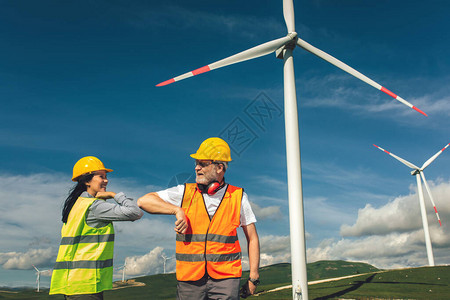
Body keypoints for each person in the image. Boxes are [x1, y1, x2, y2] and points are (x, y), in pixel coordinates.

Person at [138, 137, 260, 300]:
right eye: (196, 163)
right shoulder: (184, 193)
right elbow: (143, 201)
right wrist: (176, 210)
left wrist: (253, 277)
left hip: (226, 280)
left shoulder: (238, 197)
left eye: (203, 164)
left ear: (219, 167)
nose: (196, 168)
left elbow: (252, 238)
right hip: (190, 281)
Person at [50, 156, 143, 299]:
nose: (106, 180)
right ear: (87, 180)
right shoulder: (94, 206)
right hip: (87, 284)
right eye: (101, 176)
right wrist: (115, 195)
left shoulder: (75, 206)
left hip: (71, 284)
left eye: (106, 177)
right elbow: (135, 212)